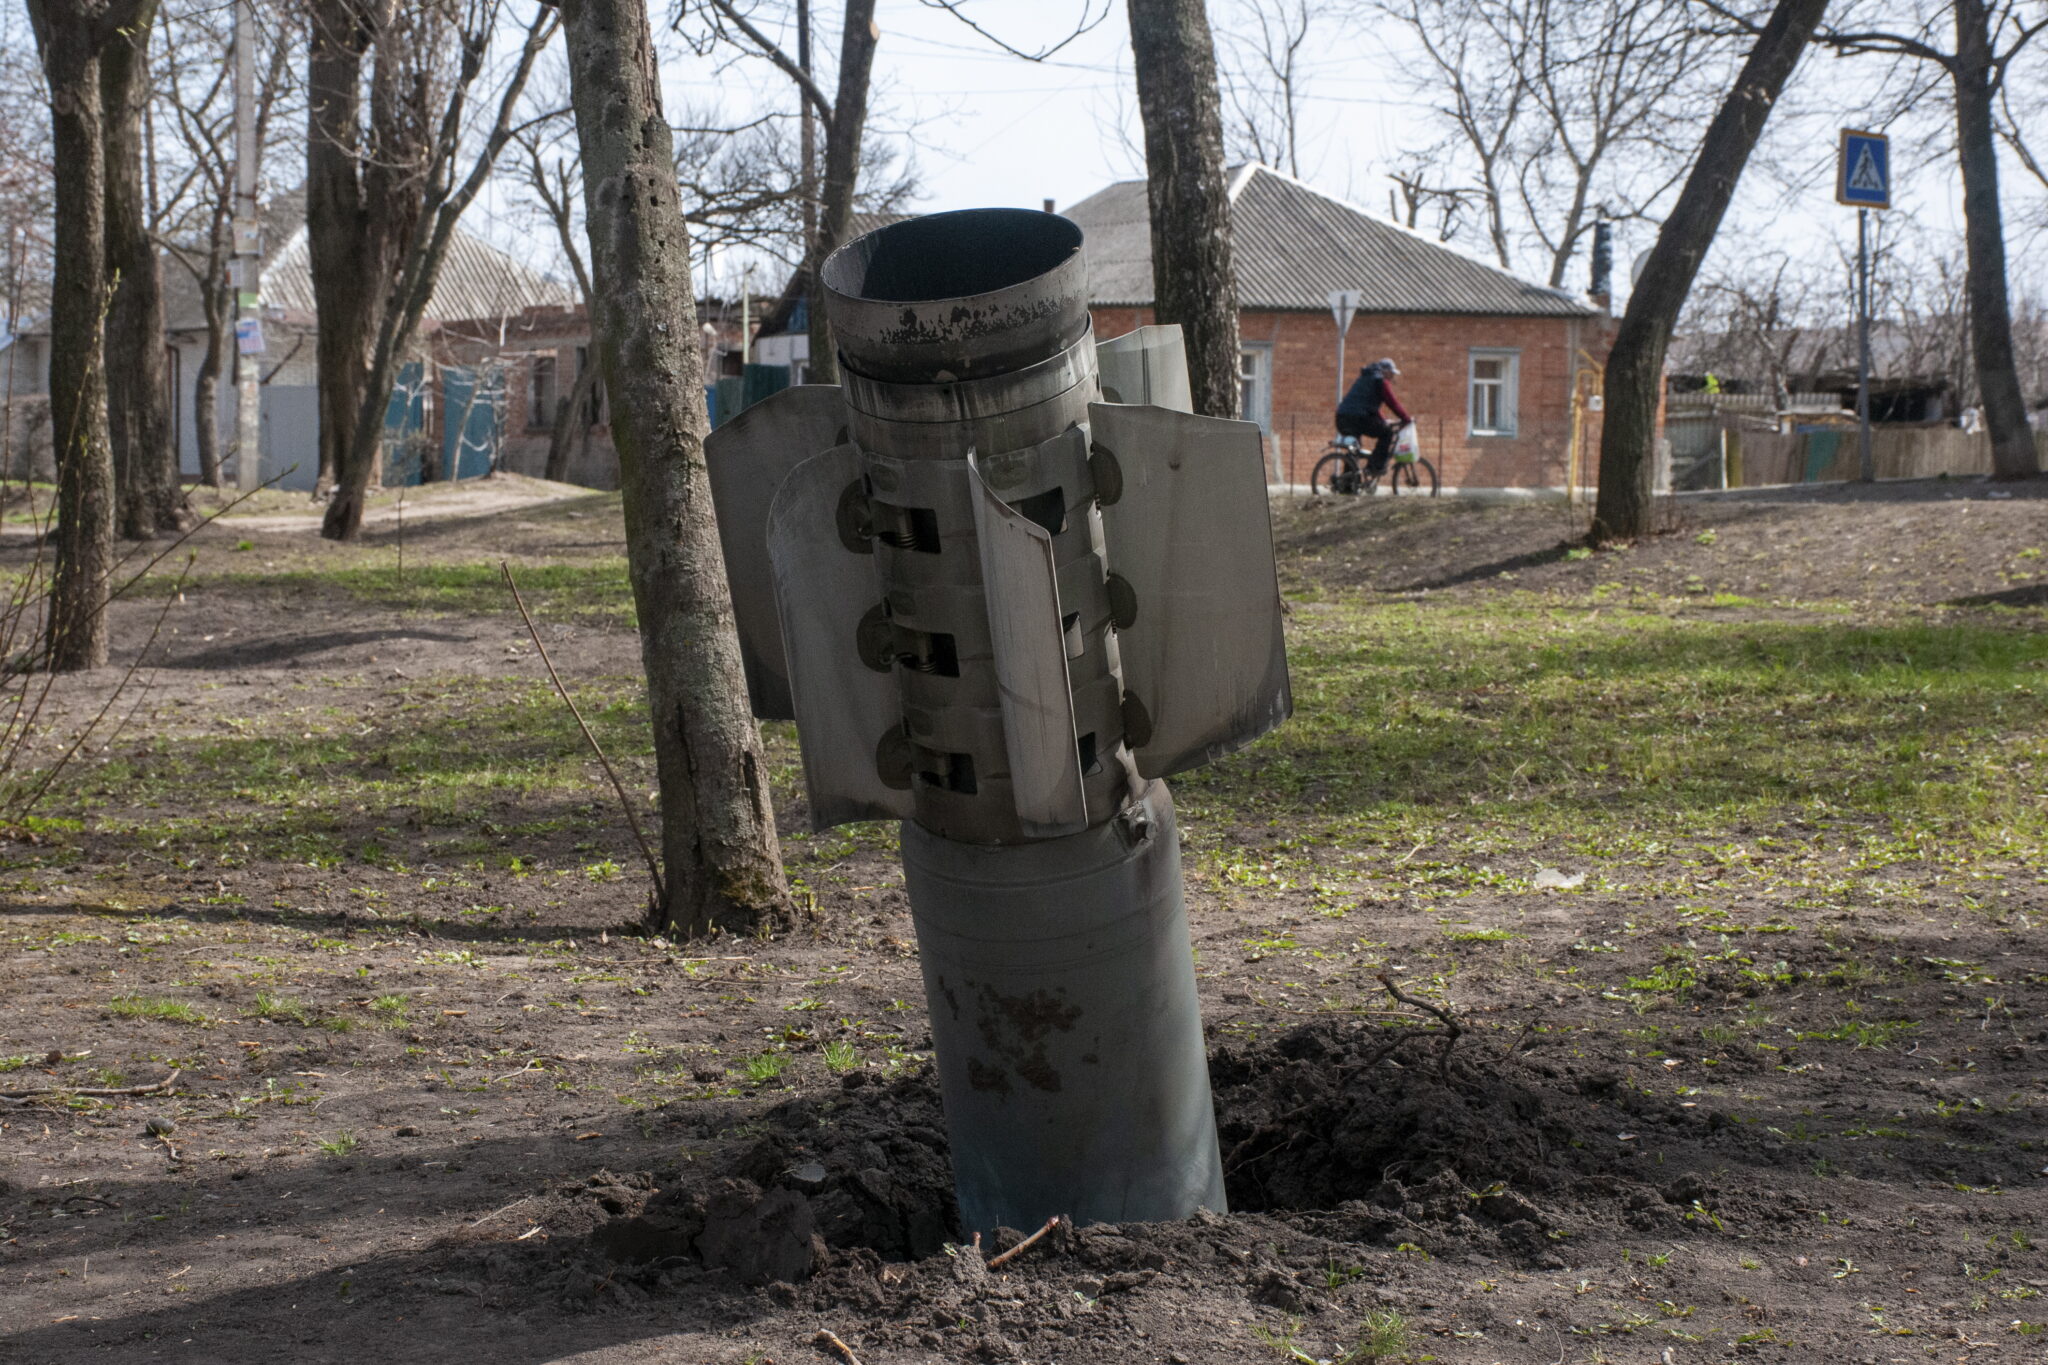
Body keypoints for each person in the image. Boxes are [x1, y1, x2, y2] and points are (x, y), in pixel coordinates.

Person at [1335, 357, 1412, 477]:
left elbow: (1370, 407)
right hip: (1356, 418)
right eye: (1391, 373)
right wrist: (1406, 418)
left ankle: (1347, 485)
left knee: (1354, 449)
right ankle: (1374, 468)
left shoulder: (1366, 377)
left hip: (1342, 417)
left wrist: (1383, 420)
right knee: (1387, 433)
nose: (1392, 377)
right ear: (1385, 371)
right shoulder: (1380, 380)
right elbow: (1392, 402)